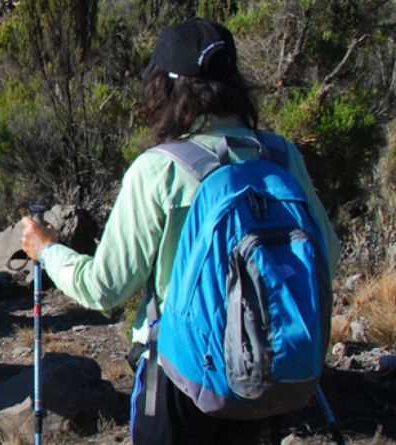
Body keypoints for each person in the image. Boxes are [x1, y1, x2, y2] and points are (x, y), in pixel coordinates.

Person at [20, 19, 340, 444]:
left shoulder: (160, 169)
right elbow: (327, 258)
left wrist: (47, 251)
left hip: (178, 375)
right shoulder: (281, 157)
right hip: (263, 365)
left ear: (167, 88)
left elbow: (103, 288)